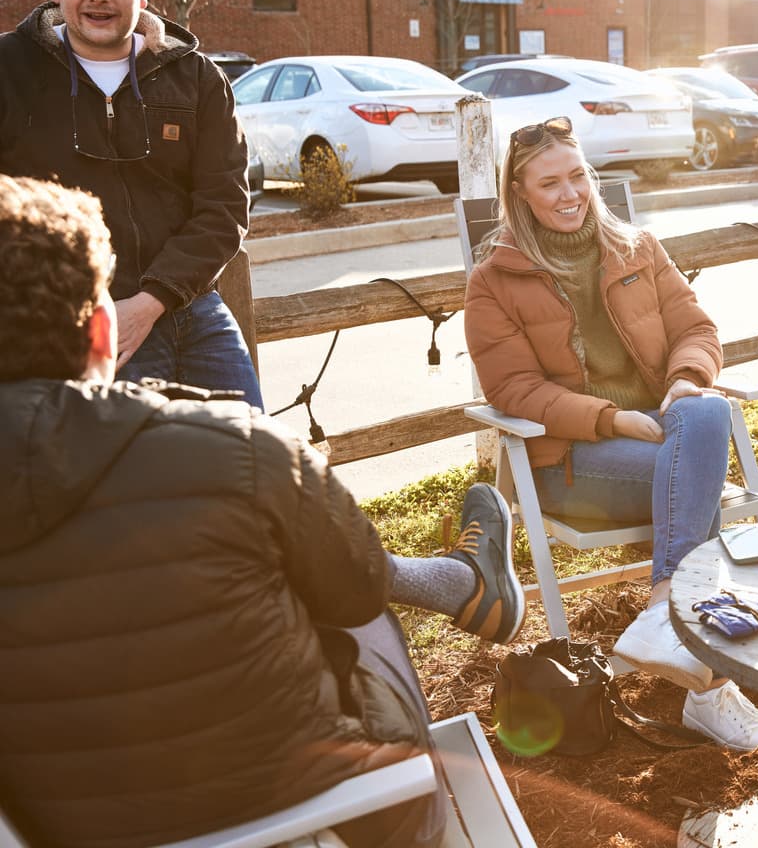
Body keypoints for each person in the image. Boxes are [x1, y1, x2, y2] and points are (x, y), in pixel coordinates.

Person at [0, 173, 525, 847]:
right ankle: (469, 586)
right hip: (331, 803)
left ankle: (467, 584)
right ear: (105, 330)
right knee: (344, 594)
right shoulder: (235, 444)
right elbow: (359, 589)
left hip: (74, 828)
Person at [463, 116, 758, 751]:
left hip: (668, 441)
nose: (570, 193)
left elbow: (699, 330)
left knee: (707, 411)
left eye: (578, 175)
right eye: (549, 182)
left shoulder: (638, 247)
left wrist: (687, 378)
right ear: (518, 193)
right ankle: (708, 690)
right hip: (574, 463)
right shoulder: (492, 283)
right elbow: (514, 391)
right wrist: (611, 419)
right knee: (703, 494)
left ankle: (664, 608)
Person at [0, 0, 262, 408]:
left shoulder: (198, 79)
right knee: (128, 476)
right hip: (75, 324)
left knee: (254, 456)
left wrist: (151, 302)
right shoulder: (9, 71)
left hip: (193, 307)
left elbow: (225, 205)